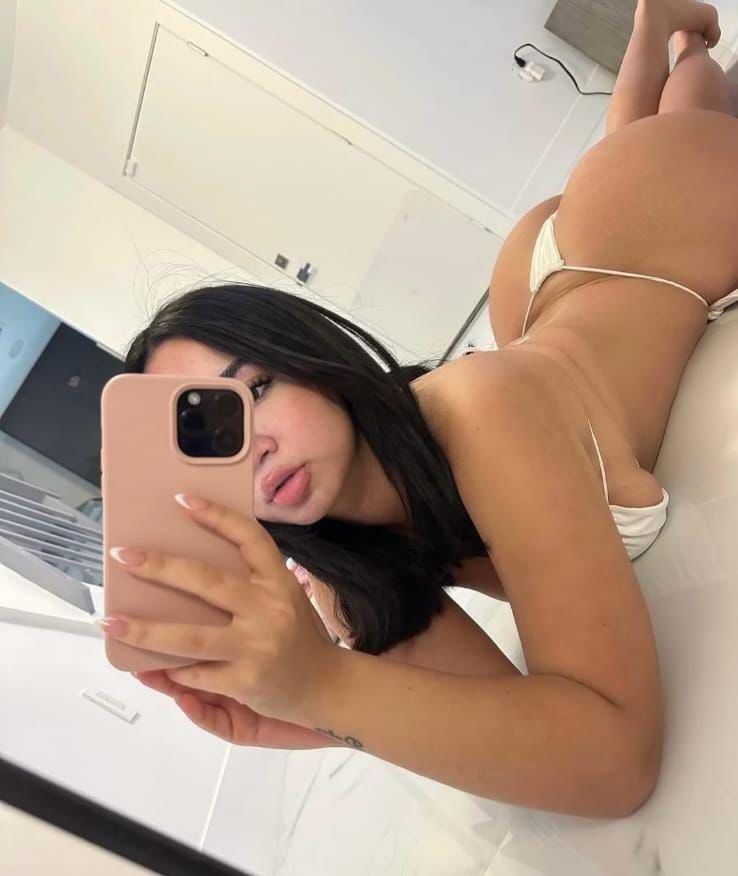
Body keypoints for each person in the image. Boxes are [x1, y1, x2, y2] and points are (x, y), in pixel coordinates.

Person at [120, 0, 738, 816]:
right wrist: (307, 708)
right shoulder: (346, 577)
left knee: (687, 113)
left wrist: (325, 684)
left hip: (657, 216)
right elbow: (542, 744)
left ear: (314, 359)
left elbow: (621, 761)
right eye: (212, 444)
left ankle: (669, 32)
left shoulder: (479, 411)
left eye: (256, 389)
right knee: (620, 162)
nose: (253, 449)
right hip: (546, 298)